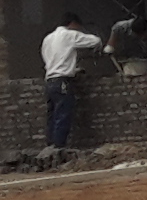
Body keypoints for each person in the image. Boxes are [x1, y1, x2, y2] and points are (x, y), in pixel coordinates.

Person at [40, 14, 105, 153]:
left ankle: (50, 147)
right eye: (78, 27)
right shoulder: (68, 35)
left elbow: (55, 60)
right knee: (63, 114)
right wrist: (99, 44)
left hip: (50, 81)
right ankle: (59, 148)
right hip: (62, 81)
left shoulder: (48, 39)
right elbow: (94, 41)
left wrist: (72, 69)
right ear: (73, 24)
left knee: (52, 115)